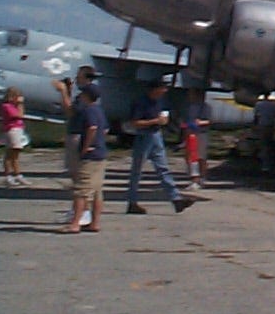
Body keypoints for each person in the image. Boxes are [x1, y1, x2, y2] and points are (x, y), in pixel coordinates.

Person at [126, 79, 195, 214]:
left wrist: (163, 120)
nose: (165, 91)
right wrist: (155, 121)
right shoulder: (141, 102)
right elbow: (135, 123)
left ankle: (176, 199)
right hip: (144, 136)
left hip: (156, 135)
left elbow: (163, 114)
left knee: (163, 168)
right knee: (137, 171)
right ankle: (132, 202)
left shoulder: (161, 101)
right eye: (162, 88)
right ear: (155, 89)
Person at [60, 83, 109, 233]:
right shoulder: (99, 110)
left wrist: (86, 146)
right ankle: (95, 223)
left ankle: (75, 223)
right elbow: (105, 129)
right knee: (97, 190)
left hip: (90, 155)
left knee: (81, 190)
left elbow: (92, 128)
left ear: (86, 96)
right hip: (101, 154)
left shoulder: (89, 111)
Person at [54, 65, 98, 225]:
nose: (76, 79)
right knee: (77, 177)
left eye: (79, 76)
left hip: (78, 135)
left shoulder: (85, 96)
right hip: (76, 134)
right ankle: (77, 211)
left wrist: (63, 92)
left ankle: (83, 212)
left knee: (77, 177)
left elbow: (71, 111)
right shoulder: (83, 95)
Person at [181, 89, 211, 191]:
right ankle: (193, 179)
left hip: (200, 133)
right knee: (190, 157)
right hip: (190, 134)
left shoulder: (204, 106)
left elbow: (208, 121)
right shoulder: (188, 107)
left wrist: (199, 122)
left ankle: (201, 178)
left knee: (200, 157)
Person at [0, 87, 30, 186]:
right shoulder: (7, 106)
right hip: (12, 130)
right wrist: (20, 104)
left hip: (17, 130)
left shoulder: (13, 106)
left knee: (14, 154)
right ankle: (10, 175)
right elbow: (20, 115)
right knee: (11, 154)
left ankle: (16, 175)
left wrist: (19, 105)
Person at [253, 93, 275, 173]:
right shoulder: (274, 105)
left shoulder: (258, 104)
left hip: (262, 125)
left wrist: (255, 125)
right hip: (271, 125)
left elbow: (256, 116)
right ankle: (271, 163)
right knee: (270, 144)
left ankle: (265, 165)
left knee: (263, 145)